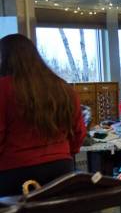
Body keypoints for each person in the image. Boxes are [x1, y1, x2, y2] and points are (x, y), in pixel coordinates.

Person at [0, 34, 86, 195]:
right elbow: (78, 132)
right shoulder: (63, 88)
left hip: (14, 173)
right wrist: (65, 152)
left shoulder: (3, 88)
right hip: (61, 168)